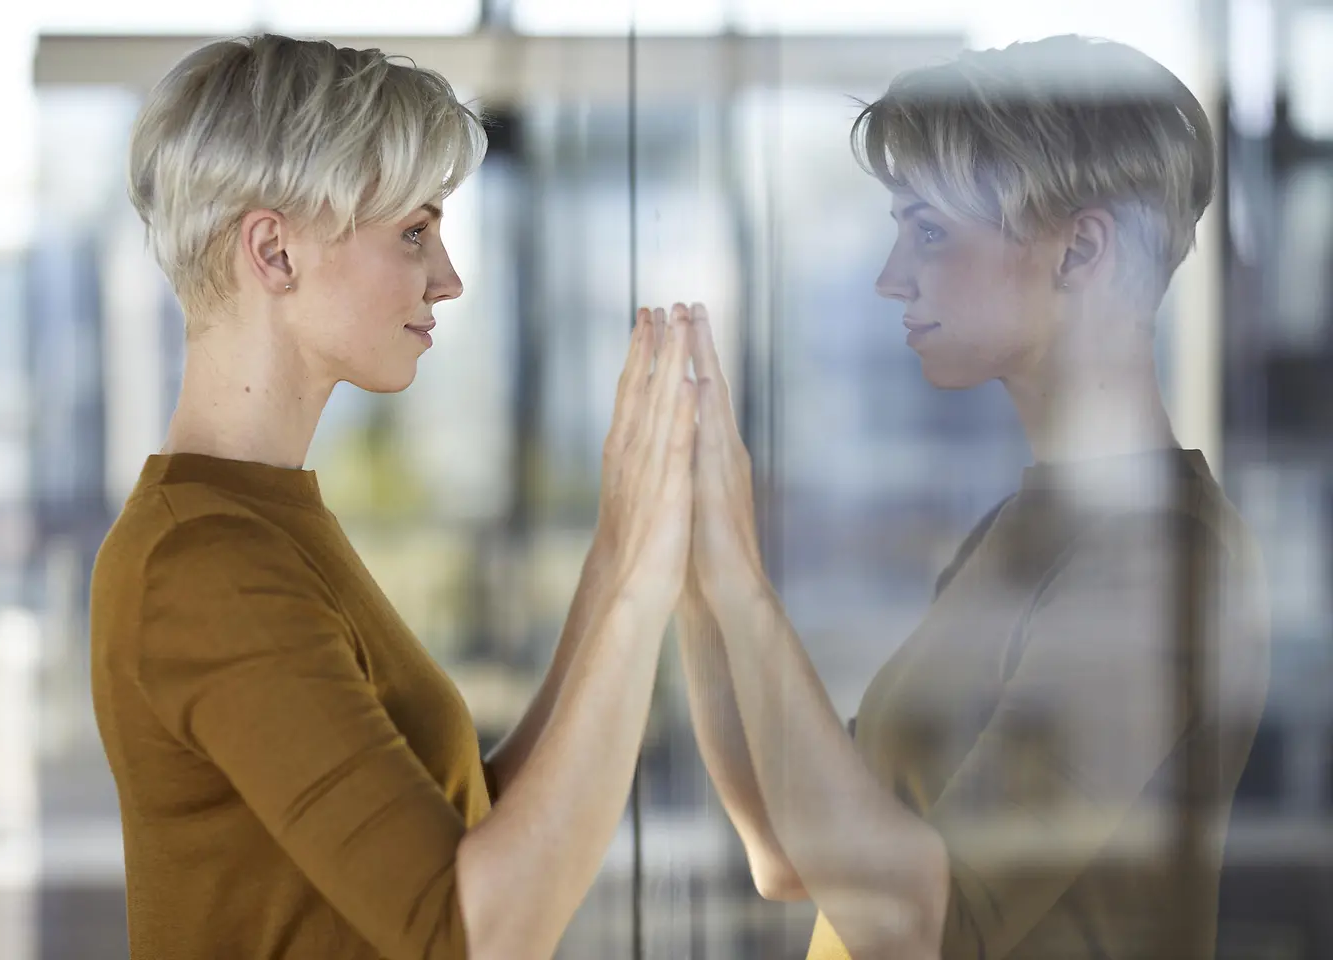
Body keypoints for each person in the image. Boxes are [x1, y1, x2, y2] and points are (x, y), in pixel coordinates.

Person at [89, 34, 699, 960]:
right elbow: (471, 933)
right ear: (275, 251)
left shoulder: (257, 527)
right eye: (414, 232)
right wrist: (644, 593)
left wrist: (618, 554)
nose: (449, 279)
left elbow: (474, 834)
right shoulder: (204, 563)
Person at [675, 35, 1271, 960]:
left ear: (1080, 249)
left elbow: (930, 929)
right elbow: (790, 855)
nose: (890, 276)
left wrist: (743, 589)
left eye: (929, 230)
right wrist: (701, 572)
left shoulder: (1159, 559)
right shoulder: (1024, 530)